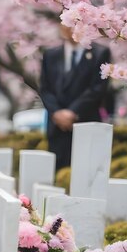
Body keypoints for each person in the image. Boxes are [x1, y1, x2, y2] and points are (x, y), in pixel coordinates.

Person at [39, 24, 111, 170]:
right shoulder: (51, 55)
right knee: (57, 173)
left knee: (85, 171)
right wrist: (57, 113)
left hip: (86, 122)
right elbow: (45, 88)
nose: (69, 28)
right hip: (57, 127)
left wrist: (72, 112)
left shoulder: (100, 53)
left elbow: (97, 88)